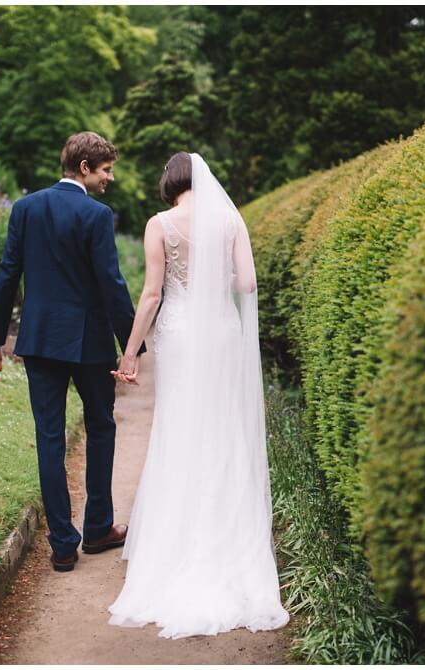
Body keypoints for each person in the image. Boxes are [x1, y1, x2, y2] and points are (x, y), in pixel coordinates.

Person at [107, 152, 290, 638]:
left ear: (171, 183)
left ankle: (177, 545)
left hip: (183, 333)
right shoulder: (232, 220)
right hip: (223, 332)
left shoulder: (160, 223)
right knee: (222, 428)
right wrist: (217, 281)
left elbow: (151, 295)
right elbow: (247, 283)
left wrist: (130, 354)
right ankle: (229, 546)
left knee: (181, 429)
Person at [0, 131, 145, 573]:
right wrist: (132, 345)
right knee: (101, 427)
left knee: (49, 439)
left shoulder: (25, 208)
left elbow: (7, 275)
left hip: (40, 341)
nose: (110, 178)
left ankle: (62, 545)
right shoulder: (95, 215)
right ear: (85, 168)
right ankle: (97, 528)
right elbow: (112, 285)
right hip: (89, 344)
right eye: (107, 169)